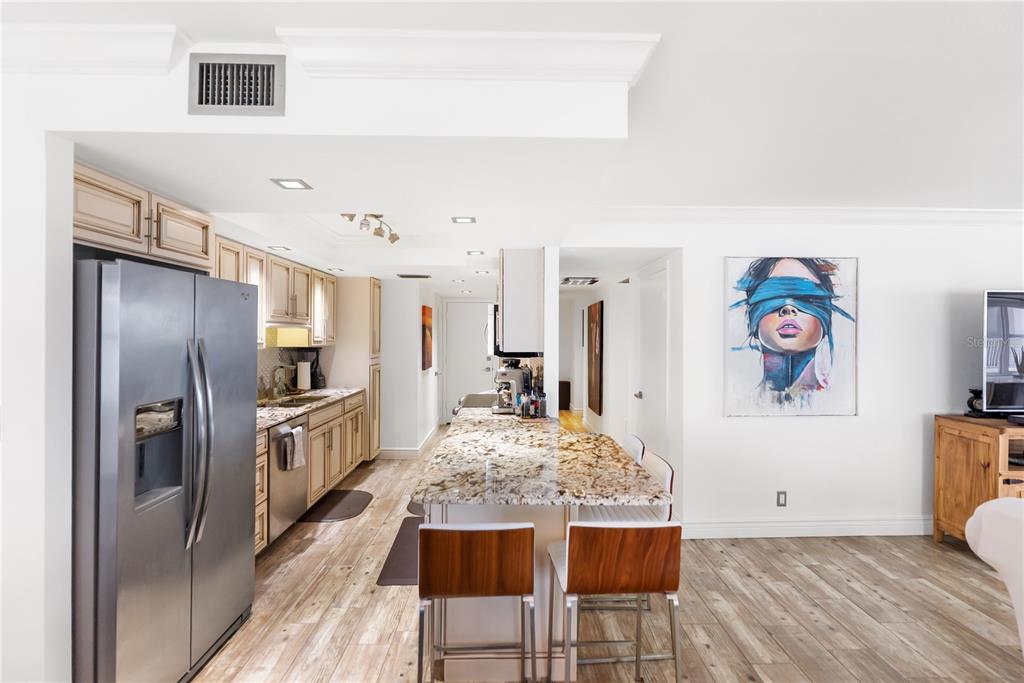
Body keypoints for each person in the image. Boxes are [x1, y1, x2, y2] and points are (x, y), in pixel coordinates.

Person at [731, 257, 854, 402]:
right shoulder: (741, 403)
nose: (788, 308)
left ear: (826, 318)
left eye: (806, 298)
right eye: (772, 295)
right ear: (753, 319)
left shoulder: (839, 402)